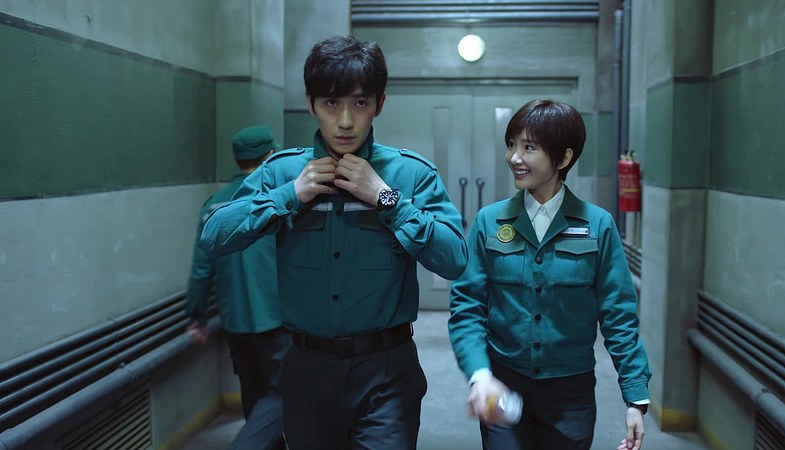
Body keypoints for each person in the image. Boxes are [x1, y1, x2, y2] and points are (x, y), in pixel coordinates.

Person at [199, 35, 468, 450]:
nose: (345, 121)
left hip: (386, 372)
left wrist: (388, 200)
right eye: (330, 102)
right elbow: (214, 235)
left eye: (359, 103)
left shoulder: (411, 174)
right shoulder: (282, 171)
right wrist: (289, 195)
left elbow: (454, 260)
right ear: (310, 103)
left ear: (379, 104)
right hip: (307, 370)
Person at [447, 99, 652, 450]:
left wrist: (635, 398)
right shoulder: (489, 222)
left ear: (563, 158)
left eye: (529, 148)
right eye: (511, 145)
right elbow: (467, 307)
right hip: (503, 386)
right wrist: (479, 374)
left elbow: (618, 314)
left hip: (570, 395)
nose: (514, 157)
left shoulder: (597, 225)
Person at [184, 125, 290, 450]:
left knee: (255, 397)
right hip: (277, 318)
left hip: (236, 321)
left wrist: (197, 316)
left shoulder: (214, 206)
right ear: (269, 156)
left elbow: (202, 268)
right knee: (284, 396)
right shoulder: (276, 200)